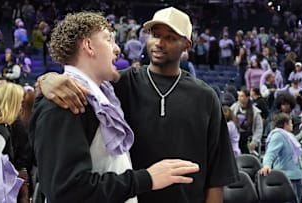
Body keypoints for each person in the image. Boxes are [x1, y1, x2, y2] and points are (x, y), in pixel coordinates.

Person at [37, 7, 238, 203]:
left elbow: (216, 174)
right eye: (155, 35)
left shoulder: (206, 97)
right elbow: (79, 80)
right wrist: (48, 80)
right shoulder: (118, 85)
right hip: (129, 195)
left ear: (186, 45)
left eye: (170, 37)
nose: (159, 43)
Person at [259, 112, 302, 203]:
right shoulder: (278, 136)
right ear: (285, 124)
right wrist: (266, 165)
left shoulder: (290, 136)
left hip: (297, 176)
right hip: (287, 177)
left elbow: (298, 151)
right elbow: (270, 153)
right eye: (291, 123)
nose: (292, 125)